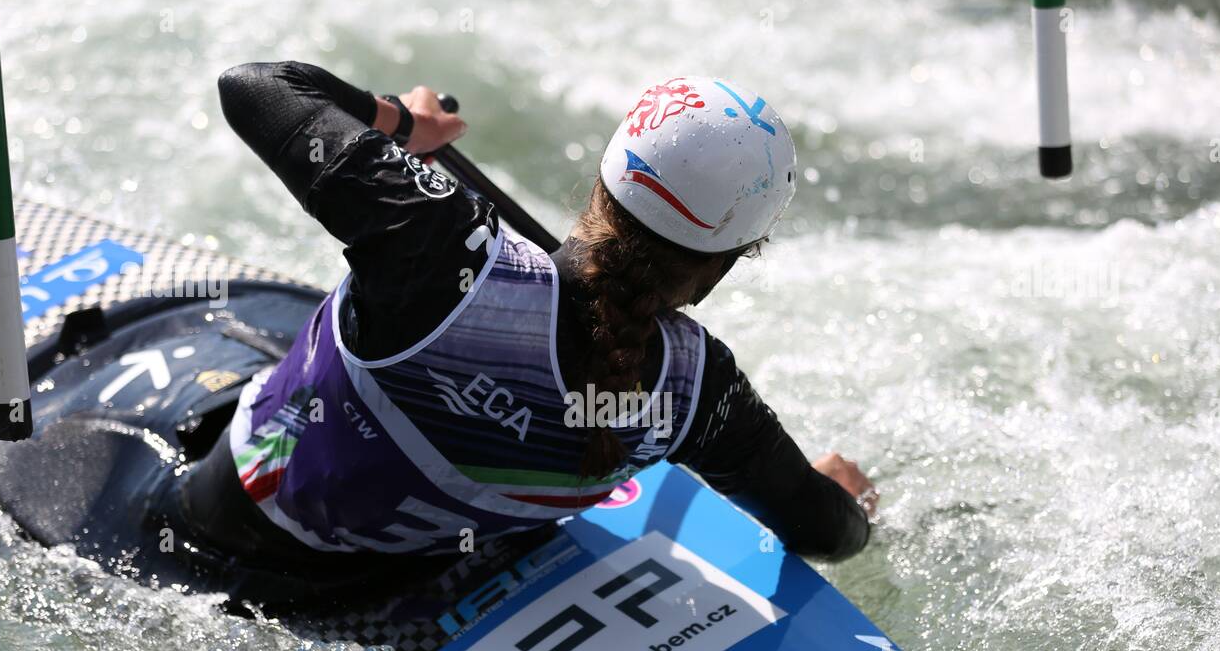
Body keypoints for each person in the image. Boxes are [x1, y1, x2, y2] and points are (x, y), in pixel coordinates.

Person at [184, 61, 875, 567]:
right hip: (399, 576)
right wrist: (838, 499)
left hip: (211, 532)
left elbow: (253, 86)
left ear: (606, 181)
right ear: (725, 264)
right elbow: (825, 534)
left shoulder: (432, 242)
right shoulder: (698, 395)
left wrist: (396, 119)